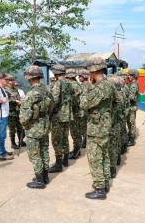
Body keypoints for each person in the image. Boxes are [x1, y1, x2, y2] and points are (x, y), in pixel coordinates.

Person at [80, 57, 115, 200]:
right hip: (105, 125)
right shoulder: (110, 85)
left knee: (95, 157)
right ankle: (105, 182)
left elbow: (83, 104)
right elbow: (117, 102)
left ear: (94, 71)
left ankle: (100, 188)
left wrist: (88, 87)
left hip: (96, 128)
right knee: (104, 155)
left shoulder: (97, 87)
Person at [20, 65, 54, 189]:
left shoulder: (31, 94)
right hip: (45, 125)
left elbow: (24, 116)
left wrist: (24, 124)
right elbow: (52, 107)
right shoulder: (46, 90)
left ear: (30, 77)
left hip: (33, 128)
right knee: (44, 151)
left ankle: (39, 180)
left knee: (35, 154)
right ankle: (45, 176)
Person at [49, 64, 73, 173]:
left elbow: (54, 100)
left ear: (56, 73)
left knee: (56, 140)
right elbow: (72, 96)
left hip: (58, 116)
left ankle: (58, 163)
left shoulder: (58, 83)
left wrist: (49, 113)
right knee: (65, 137)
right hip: (67, 115)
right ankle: (65, 160)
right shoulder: (69, 82)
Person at [66, 65, 84, 159]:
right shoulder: (76, 84)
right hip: (77, 112)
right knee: (76, 133)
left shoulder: (73, 85)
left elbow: (74, 100)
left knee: (75, 133)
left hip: (76, 113)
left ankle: (76, 151)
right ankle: (77, 150)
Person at [5, 74, 25, 149]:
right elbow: (8, 99)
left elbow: (19, 97)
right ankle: (13, 143)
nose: (13, 82)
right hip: (11, 112)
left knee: (20, 127)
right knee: (12, 129)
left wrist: (21, 101)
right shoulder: (5, 90)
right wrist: (16, 101)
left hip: (17, 111)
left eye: (13, 80)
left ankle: (21, 141)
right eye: (11, 80)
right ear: (7, 81)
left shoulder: (15, 89)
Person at [126, 70, 139, 146]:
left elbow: (131, 97)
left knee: (131, 123)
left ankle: (132, 139)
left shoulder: (134, 85)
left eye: (130, 75)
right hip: (131, 106)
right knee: (130, 123)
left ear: (134, 76)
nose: (129, 77)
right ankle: (130, 136)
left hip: (132, 106)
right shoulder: (132, 83)